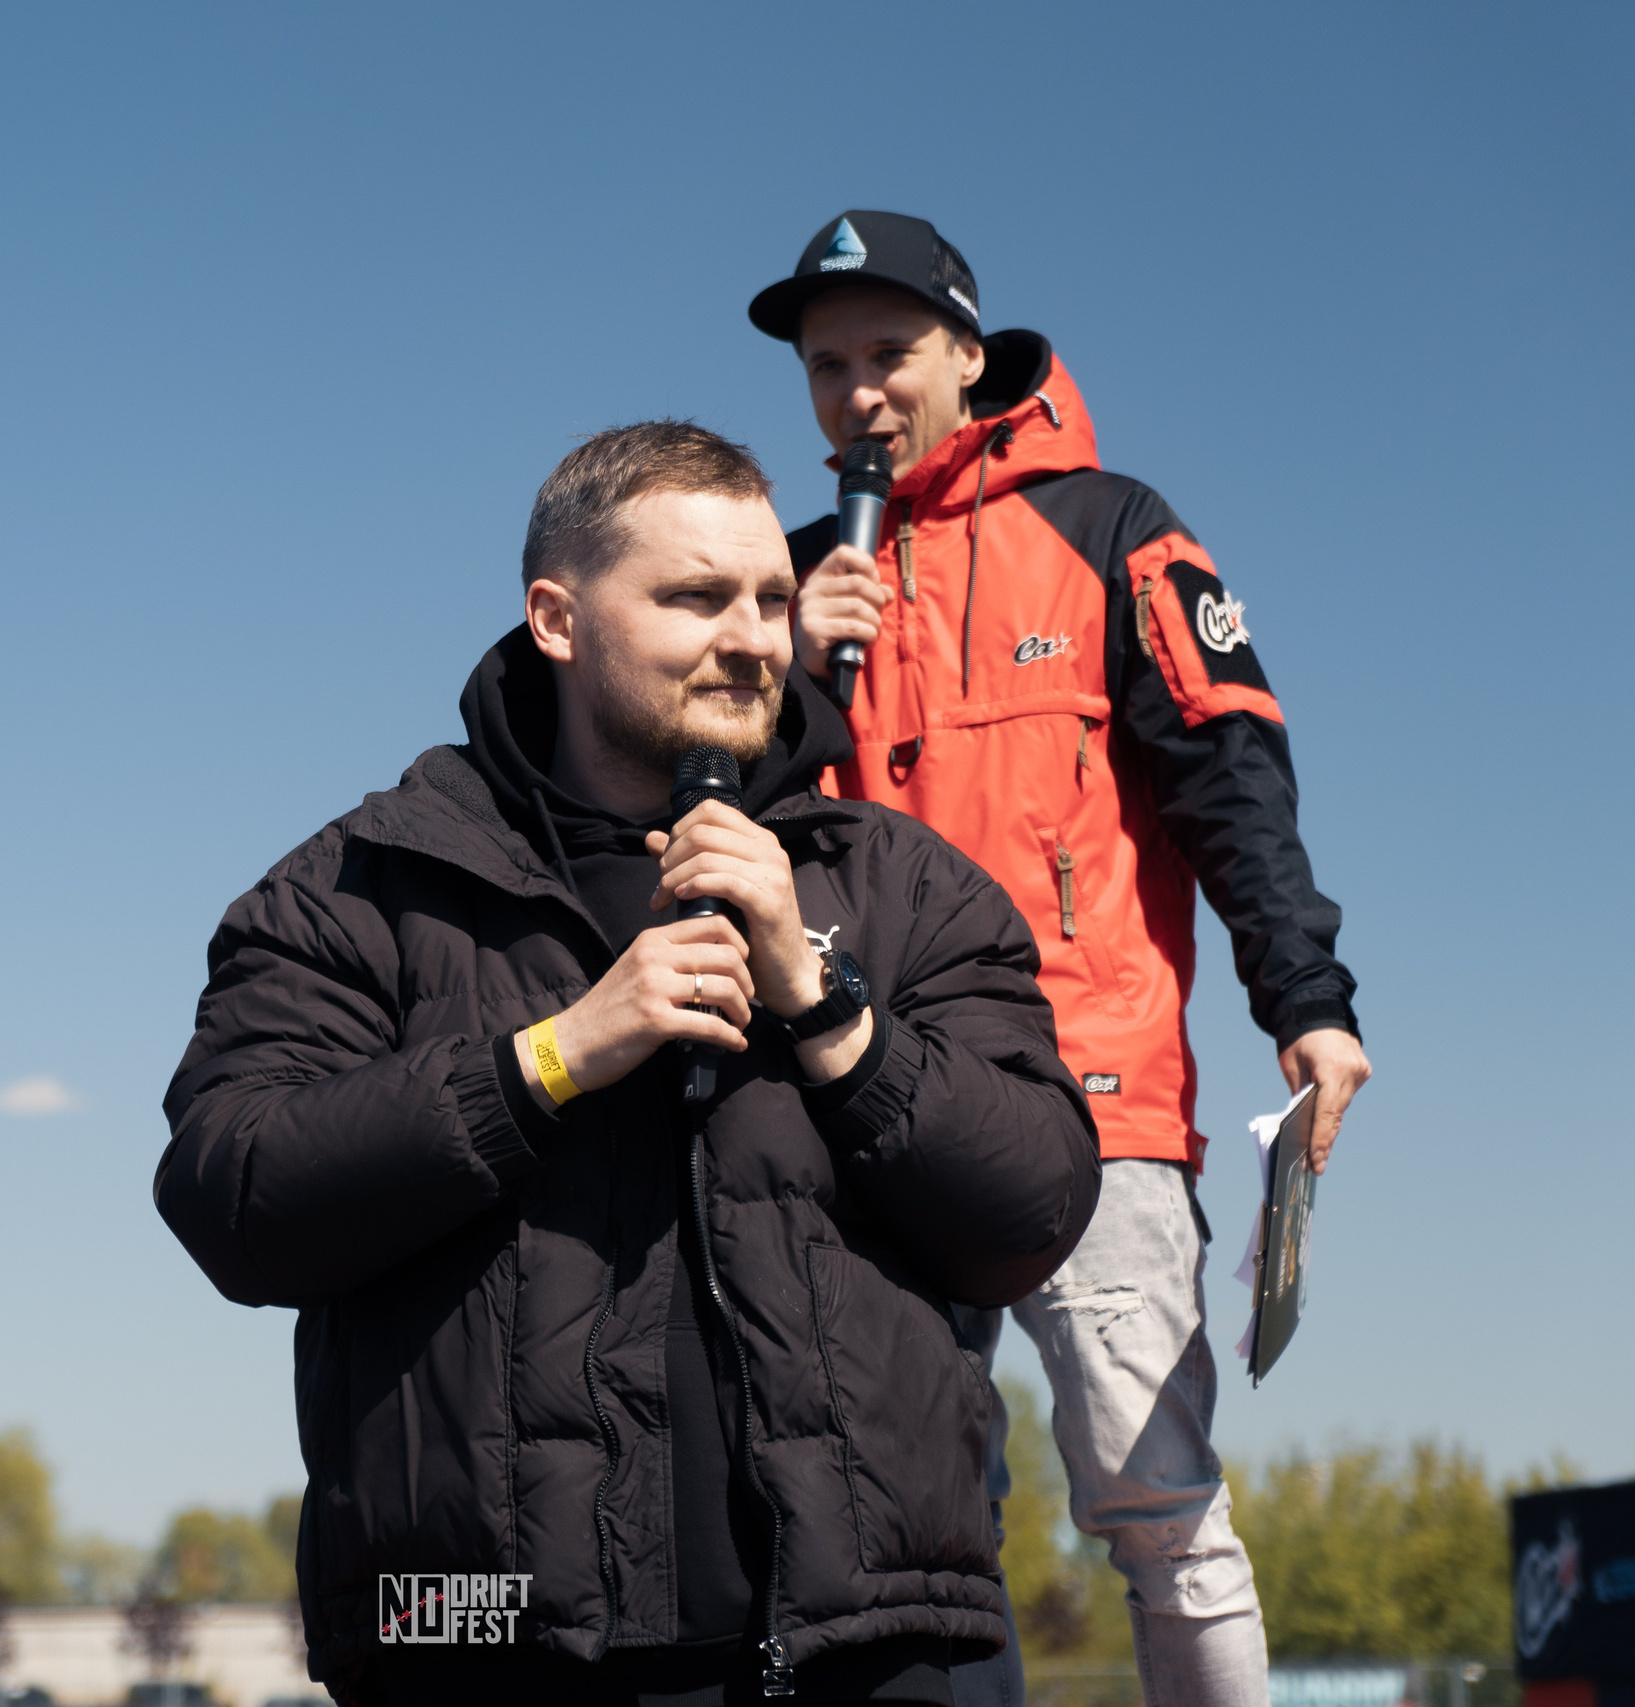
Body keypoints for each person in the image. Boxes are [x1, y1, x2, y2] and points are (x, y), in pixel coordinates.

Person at [158, 421, 1102, 1706]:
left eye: (771, 598)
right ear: (556, 617)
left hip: (862, 1638)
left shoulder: (909, 889)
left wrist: (829, 1018)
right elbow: (234, 1196)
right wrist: (548, 1059)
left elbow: (1032, 1209)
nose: (756, 636)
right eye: (695, 596)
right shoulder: (359, 889)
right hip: (472, 1637)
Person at [746, 211, 1375, 1706]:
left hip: (1091, 1093)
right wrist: (785, 677)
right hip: (868, 1103)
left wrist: (1309, 999)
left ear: (971, 350)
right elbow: (717, 826)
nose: (859, 394)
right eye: (827, 367)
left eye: (890, 353)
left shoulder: (1110, 528)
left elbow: (1233, 775)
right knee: (920, 1517)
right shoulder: (782, 581)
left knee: (1155, 1507)